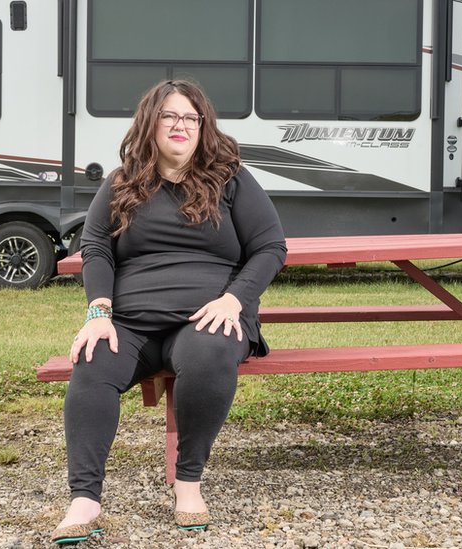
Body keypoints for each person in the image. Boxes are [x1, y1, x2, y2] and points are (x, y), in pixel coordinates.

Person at [51, 80, 287, 545]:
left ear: (203, 127)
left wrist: (234, 299)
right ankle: (84, 499)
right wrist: (98, 311)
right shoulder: (123, 182)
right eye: (170, 116)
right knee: (92, 361)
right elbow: (96, 246)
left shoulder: (232, 179)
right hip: (132, 324)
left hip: (207, 318)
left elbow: (270, 247)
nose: (180, 125)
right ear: (150, 124)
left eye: (190, 118)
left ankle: (188, 483)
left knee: (209, 353)